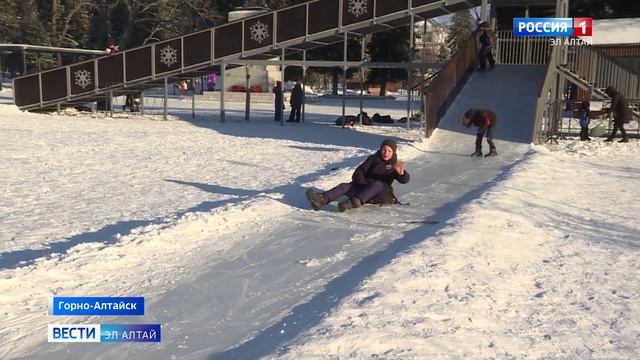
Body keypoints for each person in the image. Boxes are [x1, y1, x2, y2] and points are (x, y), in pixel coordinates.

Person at [305, 139, 410, 212]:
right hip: (365, 188)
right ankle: (321, 199)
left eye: (389, 151)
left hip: (381, 195)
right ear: (380, 149)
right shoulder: (373, 159)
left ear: (393, 152)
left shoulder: (395, 164)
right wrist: (361, 184)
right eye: (384, 150)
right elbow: (359, 171)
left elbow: (405, 180)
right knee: (345, 186)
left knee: (378, 184)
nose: (386, 153)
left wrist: (402, 174)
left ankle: (353, 202)